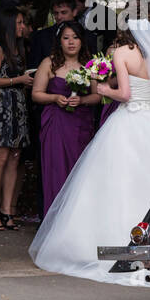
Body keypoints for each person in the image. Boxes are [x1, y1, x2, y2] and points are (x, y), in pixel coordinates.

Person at [28, 17, 150, 288]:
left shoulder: (122, 53)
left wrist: (102, 88)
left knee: (117, 181)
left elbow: (123, 93)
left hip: (130, 119)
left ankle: (117, 244)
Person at [31, 20, 100, 212]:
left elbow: (97, 96)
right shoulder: (49, 62)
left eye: (75, 38)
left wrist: (82, 101)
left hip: (81, 125)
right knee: (56, 170)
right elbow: (36, 93)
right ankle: (53, 218)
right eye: (66, 38)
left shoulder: (90, 64)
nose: (71, 42)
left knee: (78, 172)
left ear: (82, 41)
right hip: (56, 123)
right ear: (59, 41)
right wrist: (54, 97)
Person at [0, 7, 33, 230]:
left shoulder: (19, 49)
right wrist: (19, 80)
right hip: (1, 106)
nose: (22, 27)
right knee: (0, 157)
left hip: (18, 107)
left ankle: (7, 211)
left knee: (15, 157)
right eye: (19, 22)